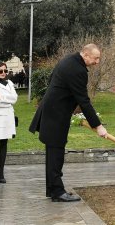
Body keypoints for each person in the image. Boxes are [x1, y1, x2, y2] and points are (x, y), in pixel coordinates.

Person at [29, 44, 107, 202]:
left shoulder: (69, 60)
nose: (97, 62)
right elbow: (83, 101)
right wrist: (98, 126)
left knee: (53, 154)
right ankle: (57, 192)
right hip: (55, 115)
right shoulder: (77, 70)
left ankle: (53, 190)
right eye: (95, 58)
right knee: (56, 155)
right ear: (85, 55)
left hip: (52, 111)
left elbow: (53, 82)